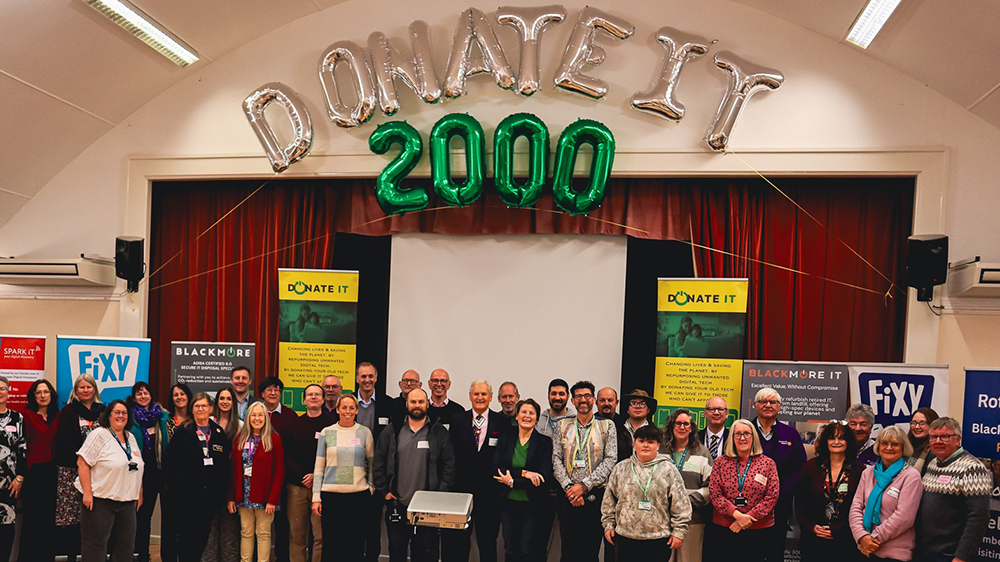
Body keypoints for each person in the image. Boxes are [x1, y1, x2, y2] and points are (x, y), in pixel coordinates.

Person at [373, 388, 456, 562]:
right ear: (406, 404)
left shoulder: (438, 431)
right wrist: (384, 490)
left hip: (428, 507)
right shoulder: (393, 430)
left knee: (426, 552)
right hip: (398, 502)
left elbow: (449, 465)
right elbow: (378, 461)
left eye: (420, 402)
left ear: (427, 403)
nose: (417, 405)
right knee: (396, 551)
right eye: (413, 402)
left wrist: (439, 494)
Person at [552, 380, 618, 562]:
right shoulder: (562, 426)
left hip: (595, 497)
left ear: (594, 400)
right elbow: (556, 458)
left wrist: (584, 486)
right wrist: (569, 488)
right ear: (572, 400)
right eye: (579, 396)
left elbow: (611, 459)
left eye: (587, 396)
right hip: (568, 498)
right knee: (568, 552)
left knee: (590, 552)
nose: (583, 400)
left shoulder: (607, 426)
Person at [602, 425, 691, 558]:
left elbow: (681, 504)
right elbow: (609, 500)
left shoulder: (669, 470)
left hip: (658, 539)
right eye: (641, 441)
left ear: (658, 445)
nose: (646, 445)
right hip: (625, 537)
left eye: (651, 442)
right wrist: (608, 525)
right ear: (634, 444)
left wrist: (679, 532)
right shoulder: (620, 468)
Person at [163, 393, 232, 562]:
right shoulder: (183, 432)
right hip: (186, 499)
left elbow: (224, 466)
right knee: (186, 539)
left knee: (201, 539)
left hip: (209, 499)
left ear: (210, 409)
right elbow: (170, 463)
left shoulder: (217, 432)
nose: (200, 409)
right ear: (192, 409)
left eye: (204, 406)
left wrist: (219, 493)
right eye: (197, 406)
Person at [444, 381, 506, 562]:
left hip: (490, 494)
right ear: (470, 396)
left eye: (484, 394)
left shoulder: (501, 422)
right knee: (460, 542)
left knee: (487, 542)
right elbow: (451, 454)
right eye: (476, 394)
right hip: (461, 492)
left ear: (491, 397)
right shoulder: (457, 420)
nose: (480, 398)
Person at [76, 399, 144, 562]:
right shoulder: (99, 434)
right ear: (109, 415)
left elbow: (137, 466)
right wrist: (87, 492)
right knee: (96, 545)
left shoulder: (131, 437)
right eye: (117, 412)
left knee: (126, 546)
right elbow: (82, 462)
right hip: (100, 499)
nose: (121, 416)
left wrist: (139, 492)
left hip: (127, 500)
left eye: (124, 413)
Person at [918, 417, 992, 562]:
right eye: (933, 437)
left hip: (950, 555)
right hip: (926, 550)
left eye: (944, 436)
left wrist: (961, 557)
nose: (938, 441)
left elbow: (979, 517)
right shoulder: (933, 463)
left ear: (958, 440)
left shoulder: (972, 468)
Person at [311, 393, 374, 562]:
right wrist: (316, 497)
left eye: (351, 408)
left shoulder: (364, 432)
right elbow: (319, 467)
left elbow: (372, 464)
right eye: (344, 407)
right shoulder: (327, 432)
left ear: (356, 410)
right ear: (337, 409)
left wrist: (371, 487)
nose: (348, 411)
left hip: (358, 496)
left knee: (355, 544)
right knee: (332, 545)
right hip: (331, 497)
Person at [708, 419, 779, 562]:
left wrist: (747, 518)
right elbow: (715, 494)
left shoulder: (768, 463)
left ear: (754, 437)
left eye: (747, 434)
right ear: (732, 438)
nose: (742, 438)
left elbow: (772, 495)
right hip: (725, 530)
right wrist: (738, 516)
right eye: (738, 434)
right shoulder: (720, 462)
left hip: (759, 531)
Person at [848, 425, 923, 562]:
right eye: (884, 443)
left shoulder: (911, 476)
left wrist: (872, 539)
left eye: (895, 444)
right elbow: (856, 508)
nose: (889, 448)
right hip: (864, 549)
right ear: (878, 446)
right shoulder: (868, 472)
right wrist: (862, 536)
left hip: (894, 554)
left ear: (903, 448)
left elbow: (904, 517)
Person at [492, 398, 553, 562]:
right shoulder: (505, 438)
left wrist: (512, 481)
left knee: (527, 551)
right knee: (510, 550)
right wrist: (526, 473)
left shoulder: (544, 442)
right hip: (507, 503)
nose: (527, 416)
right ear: (517, 416)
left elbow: (543, 476)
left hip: (532, 505)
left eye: (531, 413)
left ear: (537, 418)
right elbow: (497, 468)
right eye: (524, 412)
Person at [750, 387, 806, 562]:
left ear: (779, 406)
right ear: (754, 405)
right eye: (763, 401)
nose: (768, 405)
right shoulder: (744, 431)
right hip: (747, 510)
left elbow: (799, 468)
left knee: (775, 554)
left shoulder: (791, 434)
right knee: (748, 554)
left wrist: (777, 495)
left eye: (772, 402)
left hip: (779, 508)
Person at [795, 421, 864, 562]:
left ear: (848, 442)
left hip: (845, 539)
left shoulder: (859, 470)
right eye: (832, 438)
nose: (836, 442)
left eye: (841, 438)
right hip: (813, 538)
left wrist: (838, 529)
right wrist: (811, 526)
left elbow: (862, 506)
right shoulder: (811, 466)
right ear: (825, 441)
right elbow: (800, 501)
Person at [53, 374, 104, 562]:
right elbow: (64, 440)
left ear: (94, 389)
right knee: (72, 517)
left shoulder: (103, 411)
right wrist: (82, 458)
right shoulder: (68, 411)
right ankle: (72, 556)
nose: (85, 390)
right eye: (81, 387)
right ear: (76, 390)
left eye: (89, 387)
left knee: (94, 515)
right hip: (71, 470)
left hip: (97, 471)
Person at [229, 401, 285, 562]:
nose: (257, 418)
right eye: (253, 415)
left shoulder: (274, 439)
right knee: (246, 532)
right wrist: (232, 497)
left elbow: (280, 471)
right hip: (243, 494)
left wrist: (273, 500)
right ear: (248, 417)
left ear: (266, 418)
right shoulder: (240, 439)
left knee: (263, 533)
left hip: (265, 497)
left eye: (261, 415)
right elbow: (233, 470)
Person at [286, 384, 333, 562]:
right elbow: (287, 454)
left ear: (323, 399)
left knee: (320, 535)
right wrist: (303, 477)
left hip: (322, 487)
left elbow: (333, 455)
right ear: (304, 400)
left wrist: (316, 476)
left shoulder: (331, 426)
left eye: (317, 394)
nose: (313, 397)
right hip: (297, 487)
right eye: (310, 395)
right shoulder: (294, 424)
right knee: (297, 535)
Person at [353, 361, 394, 562]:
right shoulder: (348, 403)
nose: (367, 380)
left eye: (371, 376)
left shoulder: (388, 404)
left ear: (376, 378)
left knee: (373, 525)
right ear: (357, 379)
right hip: (351, 474)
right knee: (353, 524)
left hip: (378, 475)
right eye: (363, 376)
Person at [660, 408, 712, 562]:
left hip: (692, 520)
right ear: (671, 426)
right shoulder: (659, 451)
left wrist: (684, 503)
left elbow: (710, 486)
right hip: (661, 519)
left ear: (691, 428)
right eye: (678, 424)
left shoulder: (702, 452)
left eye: (686, 424)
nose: (682, 427)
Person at [126, 382, 169, 562]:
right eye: (139, 394)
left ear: (151, 395)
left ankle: (169, 555)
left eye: (146, 393)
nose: (143, 396)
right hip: (143, 475)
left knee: (169, 517)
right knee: (143, 517)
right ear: (134, 397)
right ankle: (142, 555)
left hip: (164, 473)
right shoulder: (130, 418)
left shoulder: (163, 415)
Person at [19, 379, 60, 562]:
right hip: (34, 473)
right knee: (32, 521)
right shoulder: (26, 416)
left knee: (49, 520)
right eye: (38, 392)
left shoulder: (57, 417)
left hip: (53, 472)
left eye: (46, 392)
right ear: (33, 396)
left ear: (51, 395)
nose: (43, 396)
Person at [258, 376, 297, 562]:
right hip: (258, 479)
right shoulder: (255, 415)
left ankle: (282, 557)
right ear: (262, 394)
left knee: (282, 523)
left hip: (283, 478)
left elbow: (293, 448)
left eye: (276, 389)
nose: (273, 393)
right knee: (258, 523)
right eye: (268, 390)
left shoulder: (290, 416)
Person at [203, 385, 243, 562]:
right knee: (209, 529)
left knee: (230, 530)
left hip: (231, 481)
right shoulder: (207, 422)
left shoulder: (241, 425)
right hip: (209, 481)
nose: (225, 402)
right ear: (216, 402)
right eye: (222, 398)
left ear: (233, 403)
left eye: (228, 399)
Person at [536, 378, 574, 560]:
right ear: (548, 396)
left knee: (568, 540)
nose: (557, 397)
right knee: (539, 540)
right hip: (544, 487)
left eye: (561, 394)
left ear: (568, 396)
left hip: (568, 488)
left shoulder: (576, 421)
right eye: (554, 393)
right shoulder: (539, 420)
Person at [161, 382, 193, 562]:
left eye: (182, 394)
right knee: (169, 525)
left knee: (187, 525)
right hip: (169, 480)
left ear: (188, 396)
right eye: (175, 394)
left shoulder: (197, 420)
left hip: (191, 481)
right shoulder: (165, 420)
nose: (179, 397)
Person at [0, 376, 26, 562]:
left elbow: (22, 450)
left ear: (8, 392)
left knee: (7, 527)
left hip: (9, 484)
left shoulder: (17, 418)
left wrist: (20, 478)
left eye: (2, 388)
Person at [906, 407, 939, 475]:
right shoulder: (905, 446)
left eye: (922, 423)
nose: (917, 427)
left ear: (933, 425)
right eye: (914, 423)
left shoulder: (935, 450)